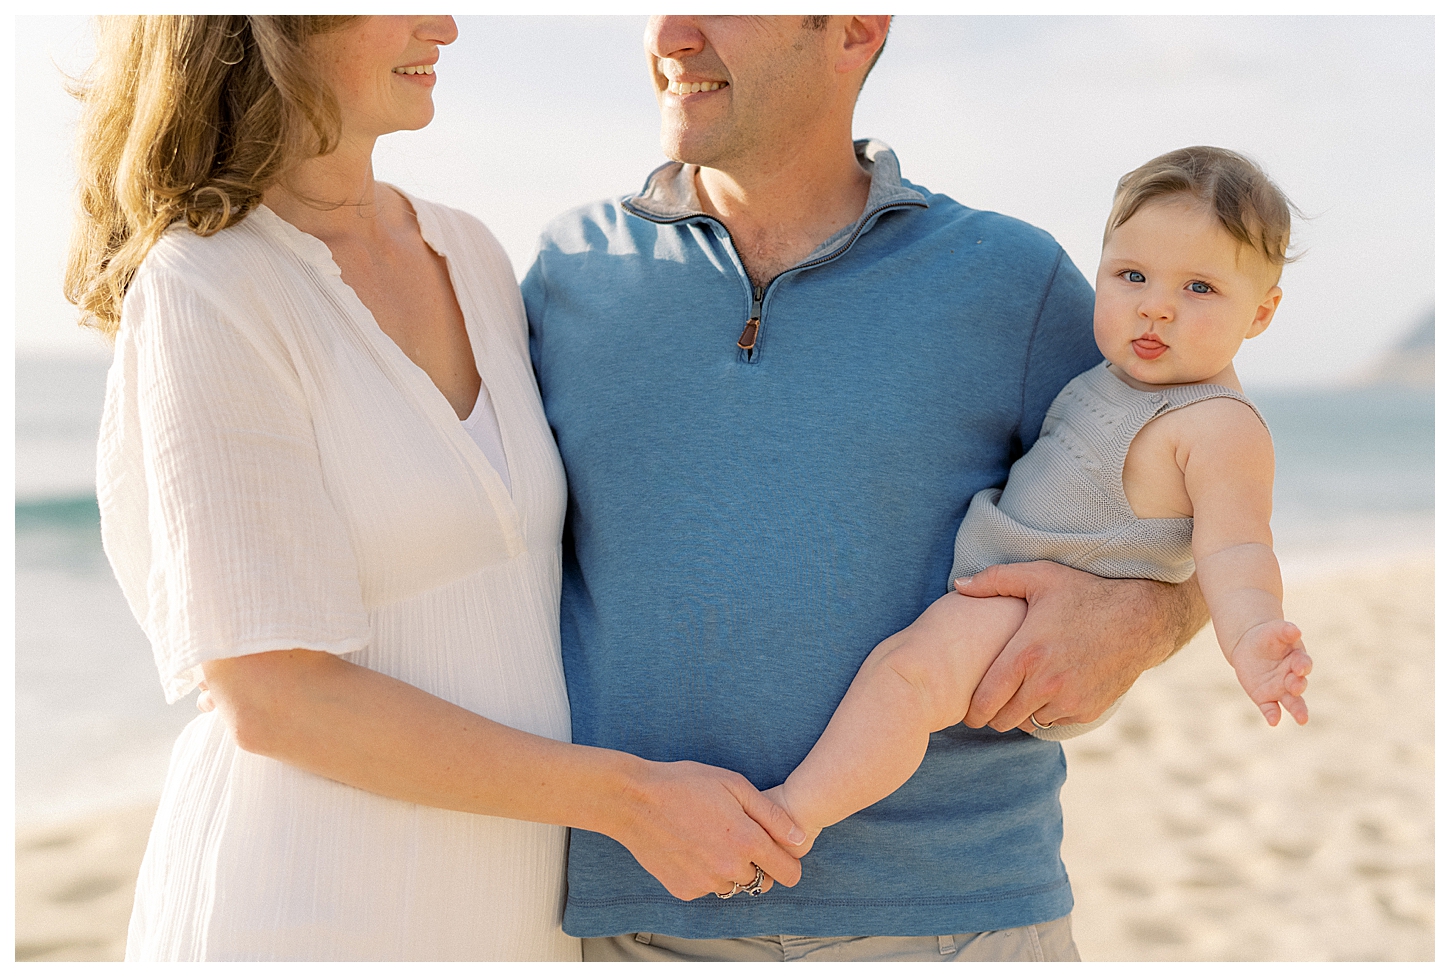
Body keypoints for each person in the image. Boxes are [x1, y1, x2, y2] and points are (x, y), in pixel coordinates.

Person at [69, 15, 805, 961]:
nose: (446, 23)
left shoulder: (472, 253)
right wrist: (630, 799)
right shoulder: (205, 286)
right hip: (305, 909)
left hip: (507, 914)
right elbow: (274, 695)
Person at [523, 15, 1210, 963]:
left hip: (954, 920)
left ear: (852, 29)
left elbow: (1206, 510)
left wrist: (1146, 619)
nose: (674, 33)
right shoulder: (567, 272)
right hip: (640, 923)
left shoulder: (1012, 280)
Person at [763, 146, 1315, 845]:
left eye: (1199, 288)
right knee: (903, 674)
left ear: (1261, 313)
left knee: (905, 676)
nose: (1155, 308)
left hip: (1038, 625)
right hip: (1008, 591)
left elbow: (1235, 547)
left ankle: (793, 815)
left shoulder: (1218, 424)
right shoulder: (1118, 374)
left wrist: (1254, 639)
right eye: (1132, 275)